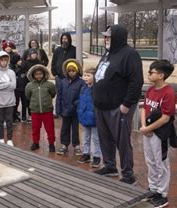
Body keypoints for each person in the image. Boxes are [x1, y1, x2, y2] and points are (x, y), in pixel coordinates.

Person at [92, 25, 144, 185]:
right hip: (101, 105)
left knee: (122, 141)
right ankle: (110, 166)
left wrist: (126, 104)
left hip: (118, 106)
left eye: (109, 37)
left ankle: (128, 174)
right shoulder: (107, 54)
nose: (106, 39)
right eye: (105, 37)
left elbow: (136, 82)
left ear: (117, 37)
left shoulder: (130, 54)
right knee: (105, 138)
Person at [140, 60, 177, 208]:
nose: (149, 74)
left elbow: (165, 117)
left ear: (161, 75)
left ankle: (162, 194)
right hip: (147, 131)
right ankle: (153, 189)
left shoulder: (168, 93)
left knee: (161, 163)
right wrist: (144, 126)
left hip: (159, 133)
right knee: (150, 161)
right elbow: (144, 107)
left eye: (151, 72)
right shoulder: (150, 89)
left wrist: (149, 129)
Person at [56, 59, 85, 156]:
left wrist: (76, 104)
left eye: (73, 71)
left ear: (76, 71)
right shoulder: (63, 82)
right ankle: (64, 144)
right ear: (67, 71)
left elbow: (82, 96)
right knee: (65, 128)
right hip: (65, 110)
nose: (71, 73)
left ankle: (76, 145)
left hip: (76, 111)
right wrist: (58, 109)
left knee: (76, 129)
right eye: (69, 71)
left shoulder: (81, 83)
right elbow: (59, 96)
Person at [25, 64, 56, 152]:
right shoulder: (29, 85)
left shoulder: (49, 85)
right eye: (36, 74)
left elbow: (53, 94)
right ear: (33, 75)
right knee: (35, 128)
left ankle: (51, 143)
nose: (39, 76)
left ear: (44, 74)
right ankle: (35, 142)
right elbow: (28, 96)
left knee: (50, 128)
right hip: (35, 111)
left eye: (40, 74)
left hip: (47, 111)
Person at [77, 68, 101, 168]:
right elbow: (81, 102)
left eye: (88, 76)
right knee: (85, 137)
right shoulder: (83, 88)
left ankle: (96, 156)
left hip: (94, 118)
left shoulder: (97, 89)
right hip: (85, 117)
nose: (86, 78)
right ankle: (86, 153)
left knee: (96, 138)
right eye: (85, 75)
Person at [0, 51, 16, 146]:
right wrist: (7, 84)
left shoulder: (11, 72)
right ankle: (1, 138)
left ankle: (9, 138)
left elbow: (13, 86)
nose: (3, 62)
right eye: (1, 60)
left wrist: (1, 84)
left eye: (5, 60)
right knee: (0, 121)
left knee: (9, 121)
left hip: (10, 101)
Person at [14, 48, 41, 123]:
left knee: (36, 100)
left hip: (37, 83)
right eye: (32, 54)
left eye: (35, 53)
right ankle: (28, 115)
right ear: (29, 55)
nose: (34, 55)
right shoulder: (26, 62)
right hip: (28, 84)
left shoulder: (39, 62)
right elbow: (21, 70)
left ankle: (36, 114)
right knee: (27, 101)